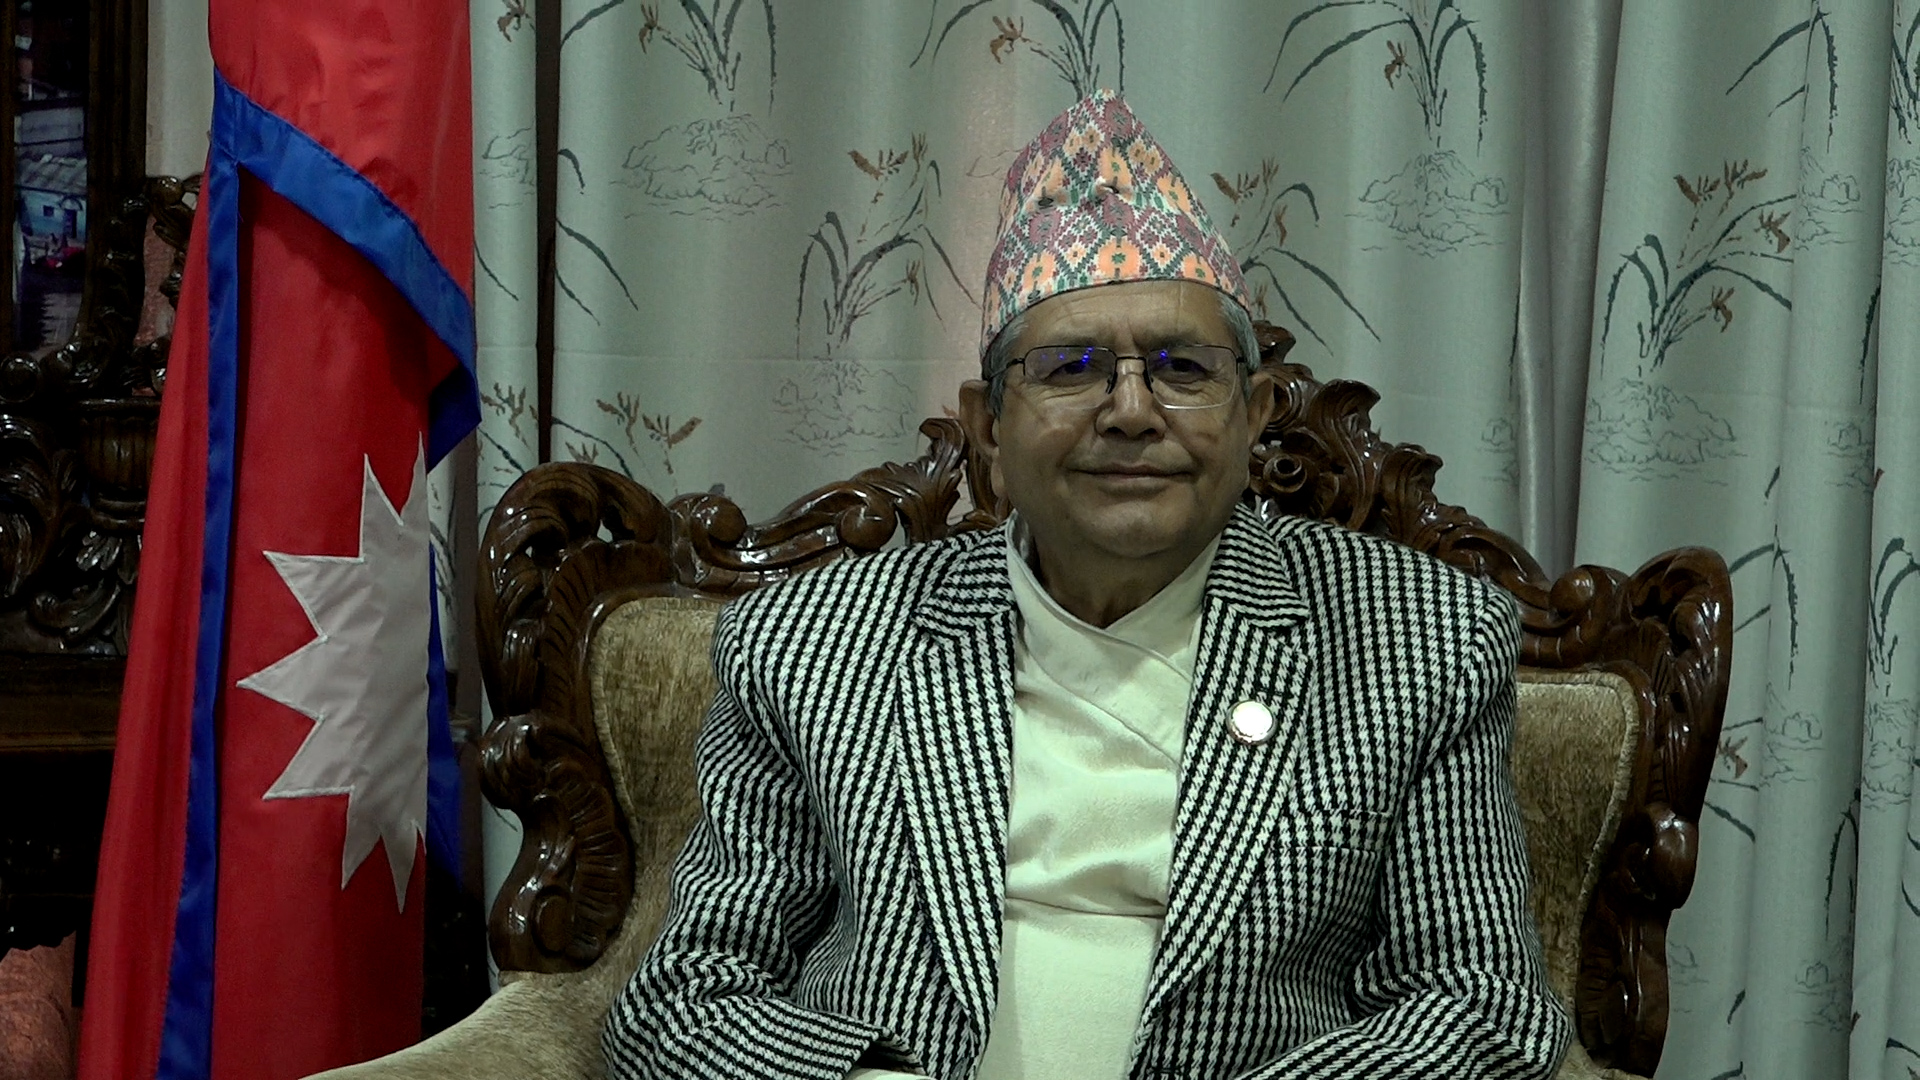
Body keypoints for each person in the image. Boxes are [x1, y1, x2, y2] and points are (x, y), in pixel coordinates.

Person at [604, 90, 1570, 1080]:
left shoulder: (1419, 640)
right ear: (987, 425)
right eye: (1071, 367)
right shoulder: (811, 642)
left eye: (1182, 368)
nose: (1132, 411)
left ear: (1253, 414)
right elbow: (683, 997)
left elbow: (1481, 1004)